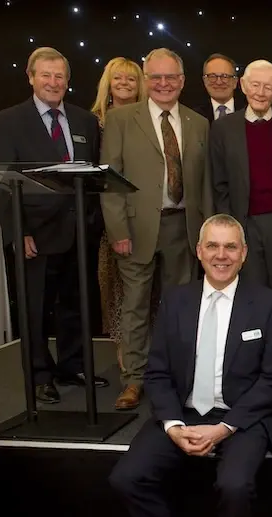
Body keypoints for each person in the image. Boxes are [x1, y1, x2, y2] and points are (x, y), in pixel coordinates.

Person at [108, 214, 272, 517]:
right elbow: (156, 372)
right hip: (184, 411)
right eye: (213, 246)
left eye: (230, 247)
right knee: (126, 477)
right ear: (199, 251)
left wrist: (224, 427)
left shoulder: (268, 303)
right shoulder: (176, 300)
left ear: (243, 254)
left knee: (235, 485)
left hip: (241, 416)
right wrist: (173, 426)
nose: (221, 255)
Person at [0, 46, 107, 404]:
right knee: (36, 309)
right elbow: (2, 184)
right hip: (35, 235)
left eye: (60, 76)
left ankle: (73, 366)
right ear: (31, 77)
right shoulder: (7, 121)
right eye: (46, 75)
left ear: (68, 81)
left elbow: (93, 177)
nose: (53, 82)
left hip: (80, 232)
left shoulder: (85, 121)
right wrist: (18, 231)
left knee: (76, 304)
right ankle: (40, 375)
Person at [101, 47, 213, 411]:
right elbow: (110, 180)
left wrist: (207, 234)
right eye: (156, 77)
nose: (164, 83)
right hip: (136, 229)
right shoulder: (121, 119)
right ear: (146, 80)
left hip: (184, 227)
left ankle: (178, 377)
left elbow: (205, 183)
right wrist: (118, 230)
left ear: (182, 81)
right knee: (135, 307)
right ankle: (134, 379)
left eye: (171, 77)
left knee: (181, 308)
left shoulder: (198, 123)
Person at [209, 59, 272, 295]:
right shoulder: (223, 128)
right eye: (255, 85)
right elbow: (219, 182)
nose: (260, 92)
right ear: (243, 86)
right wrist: (229, 225)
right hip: (243, 221)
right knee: (250, 290)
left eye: (268, 87)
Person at [90, 57, 149, 371]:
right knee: (118, 296)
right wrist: (115, 225)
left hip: (146, 220)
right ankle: (127, 364)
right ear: (107, 83)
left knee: (145, 296)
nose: (125, 84)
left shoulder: (148, 120)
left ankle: (146, 360)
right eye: (118, 78)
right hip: (110, 223)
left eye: (131, 79)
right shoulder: (93, 122)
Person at [193, 53, 245, 124]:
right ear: (205, 81)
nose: (219, 82)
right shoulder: (194, 116)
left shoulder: (248, 112)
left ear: (235, 82)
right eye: (212, 76)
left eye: (225, 76)